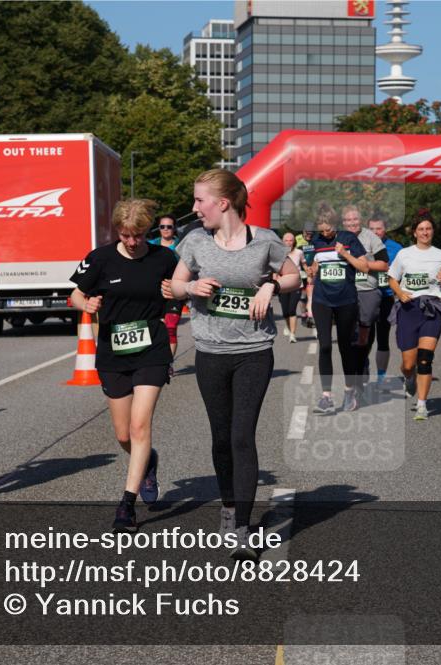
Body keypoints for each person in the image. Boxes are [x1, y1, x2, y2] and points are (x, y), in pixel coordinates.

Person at [170, 168, 300, 560]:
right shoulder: (196, 241)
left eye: (200, 200)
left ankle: (242, 528)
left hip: (253, 352)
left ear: (223, 203)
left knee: (242, 436)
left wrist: (270, 285)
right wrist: (191, 287)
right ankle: (228, 506)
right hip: (210, 352)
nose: (195, 208)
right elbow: (175, 284)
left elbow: (294, 276)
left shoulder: (265, 241)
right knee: (221, 438)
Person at [71, 199, 178, 532]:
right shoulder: (100, 258)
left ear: (148, 231)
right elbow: (75, 295)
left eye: (139, 235)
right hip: (113, 352)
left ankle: (126, 506)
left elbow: (182, 292)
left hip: (152, 349)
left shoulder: (164, 258)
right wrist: (86, 304)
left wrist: (175, 293)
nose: (132, 241)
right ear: (117, 230)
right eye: (126, 235)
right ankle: (147, 461)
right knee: (123, 434)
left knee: (139, 426)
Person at [386, 209, 441, 421]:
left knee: (425, 358)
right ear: (414, 232)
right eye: (421, 229)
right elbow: (392, 278)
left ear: (433, 231)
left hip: (431, 309)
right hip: (408, 309)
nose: (425, 232)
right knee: (409, 364)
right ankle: (409, 378)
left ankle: (422, 405)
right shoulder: (404, 254)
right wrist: (400, 293)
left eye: (428, 229)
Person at [307, 203, 369, 414]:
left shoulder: (348, 239)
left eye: (328, 229)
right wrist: (311, 271)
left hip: (346, 301)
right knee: (325, 346)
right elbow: (315, 267)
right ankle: (326, 396)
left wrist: (346, 255)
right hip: (322, 300)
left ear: (335, 224)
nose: (325, 233)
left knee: (345, 347)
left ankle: (349, 390)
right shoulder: (316, 241)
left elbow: (364, 267)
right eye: (322, 229)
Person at [342, 205, 389, 395]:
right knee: (348, 337)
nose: (352, 223)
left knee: (364, 337)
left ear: (360, 220)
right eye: (348, 220)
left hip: (367, 291)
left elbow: (384, 264)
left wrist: (362, 264)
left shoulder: (371, 238)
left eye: (355, 219)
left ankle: (361, 367)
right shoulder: (339, 238)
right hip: (345, 292)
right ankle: (355, 376)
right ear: (343, 222)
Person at [368, 214, 403, 387]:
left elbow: (404, 273)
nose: (375, 232)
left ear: (385, 229)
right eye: (372, 229)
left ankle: (381, 377)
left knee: (382, 338)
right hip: (365, 297)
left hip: (386, 297)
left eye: (379, 228)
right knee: (365, 338)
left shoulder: (396, 248)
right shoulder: (360, 245)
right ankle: (363, 369)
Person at [150, 214, 184, 364]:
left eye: (169, 226)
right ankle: (155, 360)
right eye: (162, 226)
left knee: (170, 327)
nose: (165, 229)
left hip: (174, 293)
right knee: (156, 329)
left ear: (174, 228)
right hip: (153, 294)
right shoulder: (151, 245)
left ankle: (168, 364)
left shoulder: (181, 246)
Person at [277, 232, 303, 343]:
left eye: (291, 240)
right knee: (285, 312)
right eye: (286, 240)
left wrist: (309, 273)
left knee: (292, 309)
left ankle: (292, 334)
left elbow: (304, 265)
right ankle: (288, 326)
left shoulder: (299, 252)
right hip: (282, 285)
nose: (288, 242)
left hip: (296, 285)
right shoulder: (278, 253)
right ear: (282, 242)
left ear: (294, 241)